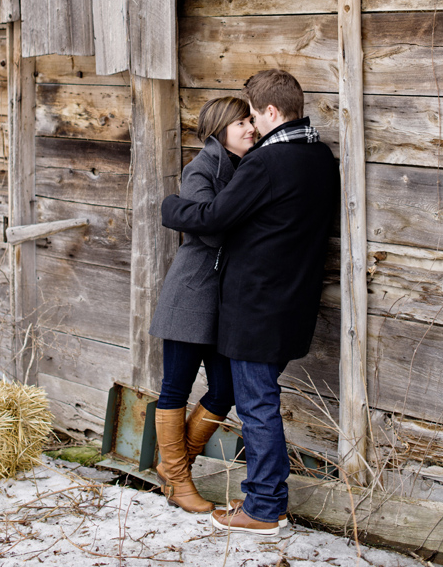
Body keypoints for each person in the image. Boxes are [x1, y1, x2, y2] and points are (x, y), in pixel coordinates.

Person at [161, 69, 339, 536]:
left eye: (256, 115)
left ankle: (263, 506)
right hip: (294, 305)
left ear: (273, 112)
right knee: (254, 398)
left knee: (257, 405)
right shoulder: (322, 158)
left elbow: (216, 217)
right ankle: (244, 492)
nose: (254, 126)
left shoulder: (267, 162)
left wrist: (168, 207)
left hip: (256, 308)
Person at [149, 96, 257, 514]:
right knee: (175, 386)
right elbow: (209, 229)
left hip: (224, 299)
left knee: (225, 388)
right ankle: (178, 478)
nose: (250, 128)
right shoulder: (202, 168)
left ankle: (175, 466)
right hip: (192, 293)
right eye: (241, 122)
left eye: (251, 120)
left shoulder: (246, 167)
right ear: (220, 128)